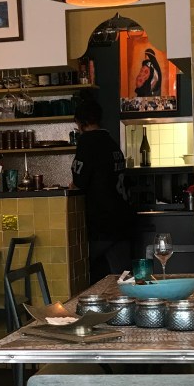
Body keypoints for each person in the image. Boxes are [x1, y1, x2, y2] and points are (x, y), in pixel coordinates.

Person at [70, 93, 136, 282]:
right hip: (121, 220)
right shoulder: (110, 142)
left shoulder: (87, 142)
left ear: (80, 123)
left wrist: (73, 185)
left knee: (78, 270)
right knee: (124, 278)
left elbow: (79, 181)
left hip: (101, 223)